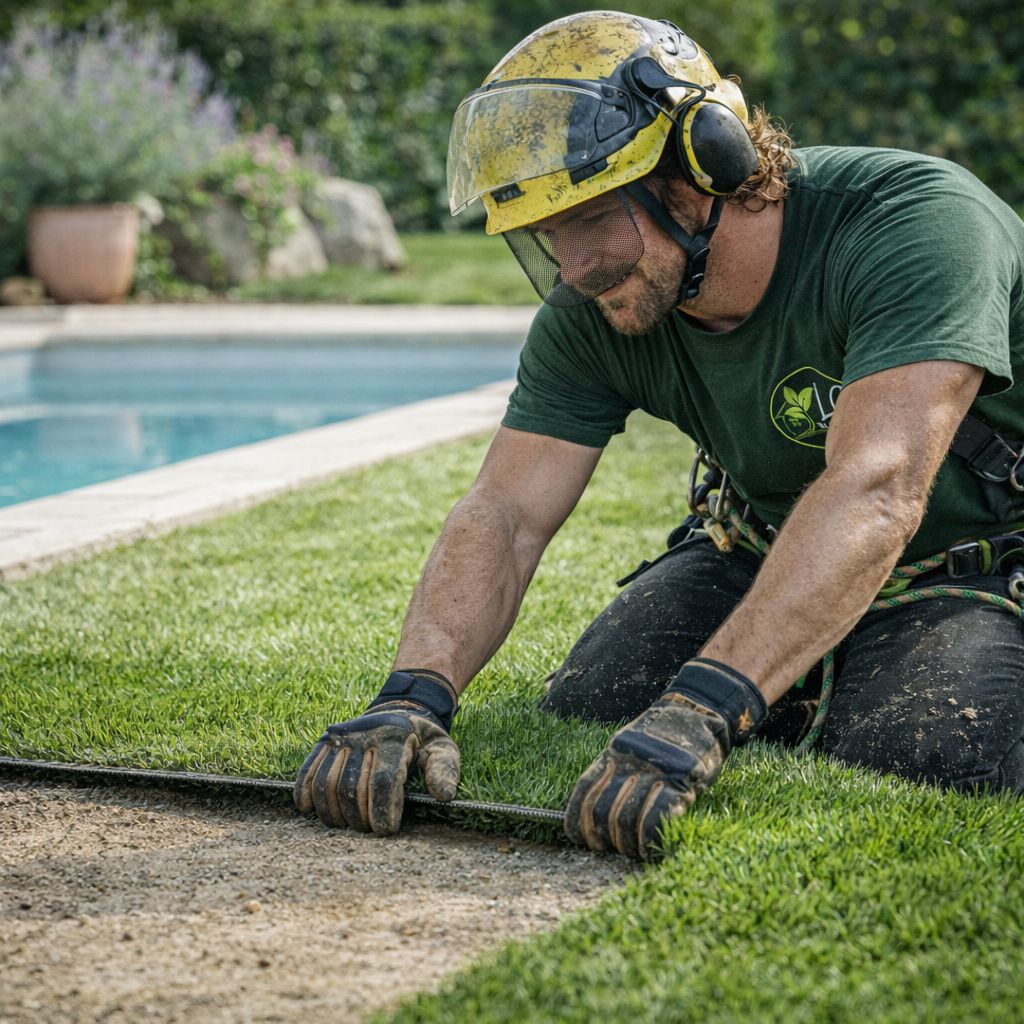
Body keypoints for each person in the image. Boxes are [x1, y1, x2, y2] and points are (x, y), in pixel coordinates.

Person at [294, 10, 1024, 859]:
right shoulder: (600, 305)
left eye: (587, 221)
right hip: (764, 541)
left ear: (701, 164)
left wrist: (705, 707)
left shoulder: (912, 224)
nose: (571, 267)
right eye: (546, 233)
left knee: (932, 758)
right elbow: (505, 512)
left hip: (977, 561)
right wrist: (412, 695)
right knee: (593, 701)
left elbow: (879, 482)